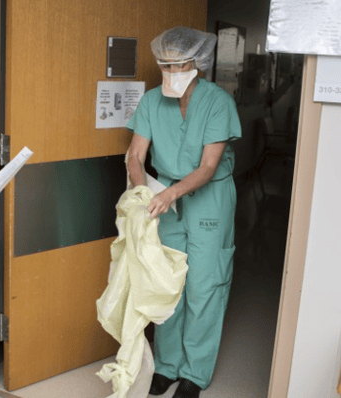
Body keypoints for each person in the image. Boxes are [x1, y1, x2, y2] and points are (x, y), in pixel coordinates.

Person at [126, 26, 241, 398]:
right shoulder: (150, 102)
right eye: (165, 66)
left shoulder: (218, 102)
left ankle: (193, 373)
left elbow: (208, 167)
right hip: (163, 198)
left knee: (204, 286)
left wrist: (171, 192)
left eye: (178, 65)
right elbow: (135, 155)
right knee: (167, 284)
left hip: (209, 199)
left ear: (198, 63)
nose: (171, 73)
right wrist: (142, 190)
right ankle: (167, 365)